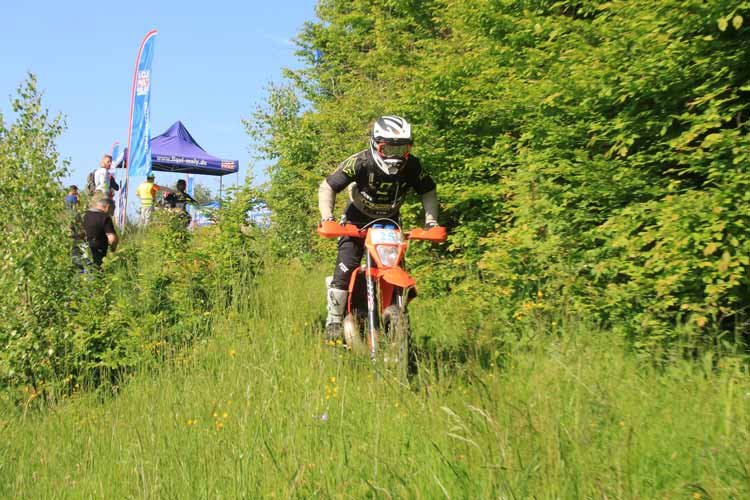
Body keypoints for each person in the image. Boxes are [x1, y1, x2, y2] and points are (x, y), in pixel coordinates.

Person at [318, 115, 439, 337]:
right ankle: (333, 321)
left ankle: (394, 317)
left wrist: (431, 222)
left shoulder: (413, 166)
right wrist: (327, 218)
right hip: (356, 221)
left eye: (401, 149)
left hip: (390, 223)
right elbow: (328, 186)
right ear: (375, 144)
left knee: (396, 269)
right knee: (346, 266)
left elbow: (428, 190)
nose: (395, 156)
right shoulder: (360, 162)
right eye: (388, 149)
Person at [83, 197, 118, 268]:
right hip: (96, 252)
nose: (112, 214)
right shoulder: (104, 217)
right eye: (112, 210)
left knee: (79, 272)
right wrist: (113, 249)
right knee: (96, 272)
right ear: (108, 207)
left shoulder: (81, 215)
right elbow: (112, 239)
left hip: (79, 251)